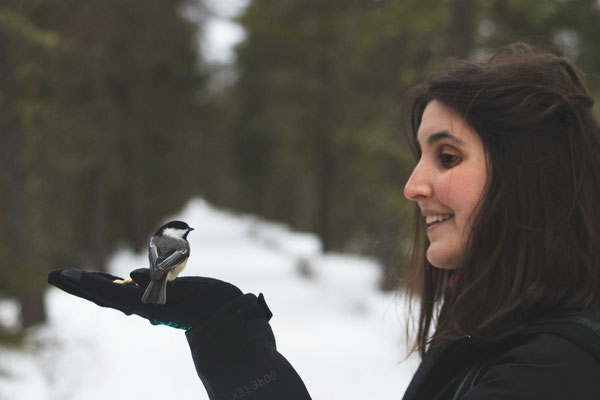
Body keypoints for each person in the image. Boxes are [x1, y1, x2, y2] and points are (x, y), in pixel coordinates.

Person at [48, 44, 600, 399]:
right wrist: (230, 341)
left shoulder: (550, 372)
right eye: (419, 156)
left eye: (447, 157)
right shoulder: (505, 340)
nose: (413, 185)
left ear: (528, 179)